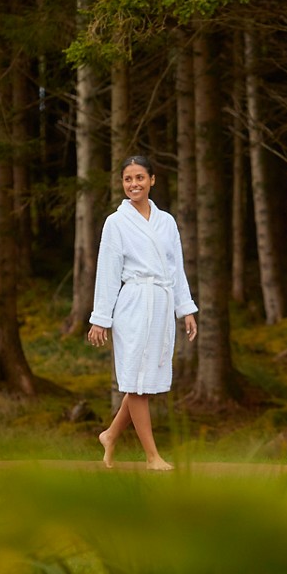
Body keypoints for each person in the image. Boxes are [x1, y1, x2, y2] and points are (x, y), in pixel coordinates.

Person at [87, 155, 198, 470]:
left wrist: (185, 309)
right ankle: (152, 456)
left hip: (161, 304)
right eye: (128, 179)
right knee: (136, 382)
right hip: (133, 305)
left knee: (144, 381)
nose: (133, 184)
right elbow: (108, 272)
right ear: (122, 183)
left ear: (152, 180)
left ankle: (110, 435)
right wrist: (101, 319)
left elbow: (176, 268)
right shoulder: (116, 222)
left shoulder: (167, 222)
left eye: (139, 177)